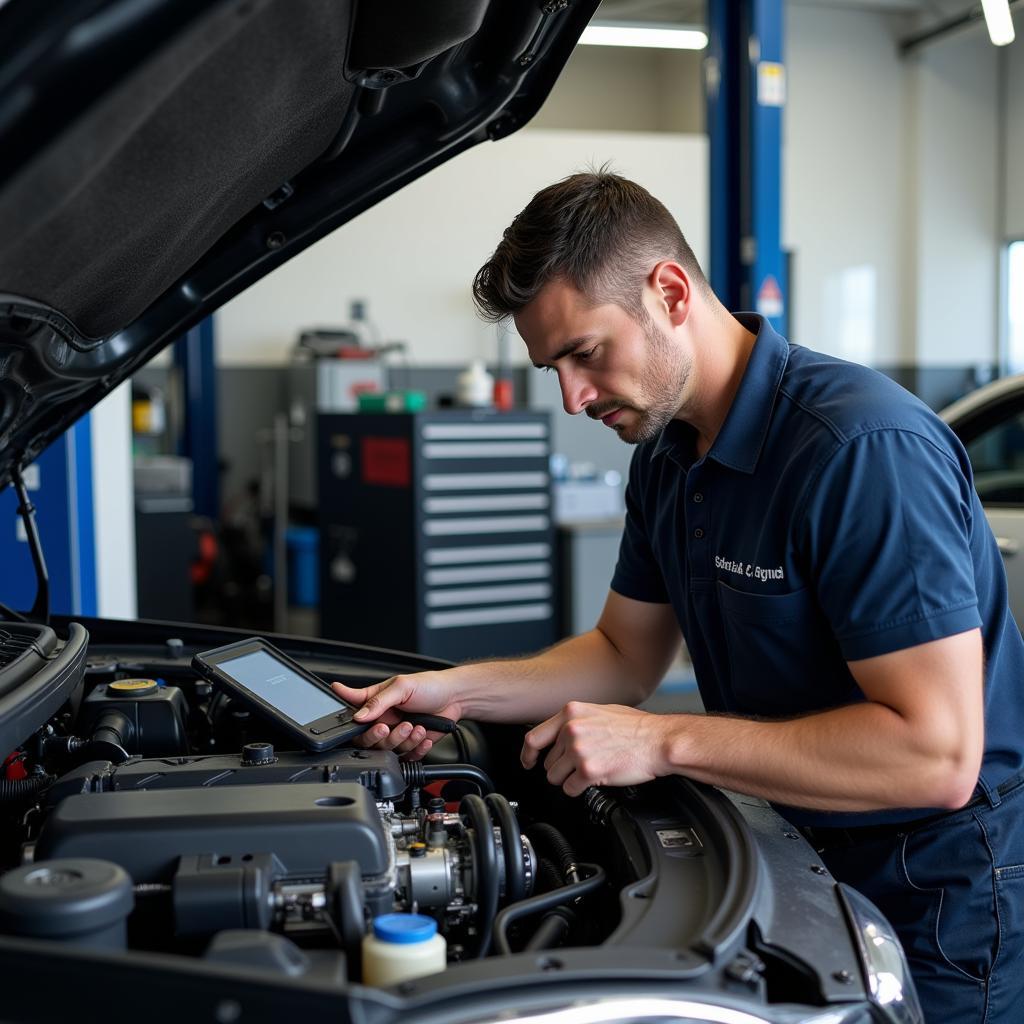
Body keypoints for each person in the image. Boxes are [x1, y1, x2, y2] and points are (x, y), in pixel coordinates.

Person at [333, 171, 1024, 1021]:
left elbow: (937, 754)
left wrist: (662, 741)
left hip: (932, 895)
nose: (572, 397)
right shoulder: (668, 459)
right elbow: (624, 655)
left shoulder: (859, 451)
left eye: (585, 353)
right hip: (790, 851)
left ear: (668, 291)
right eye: (554, 367)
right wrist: (451, 691)